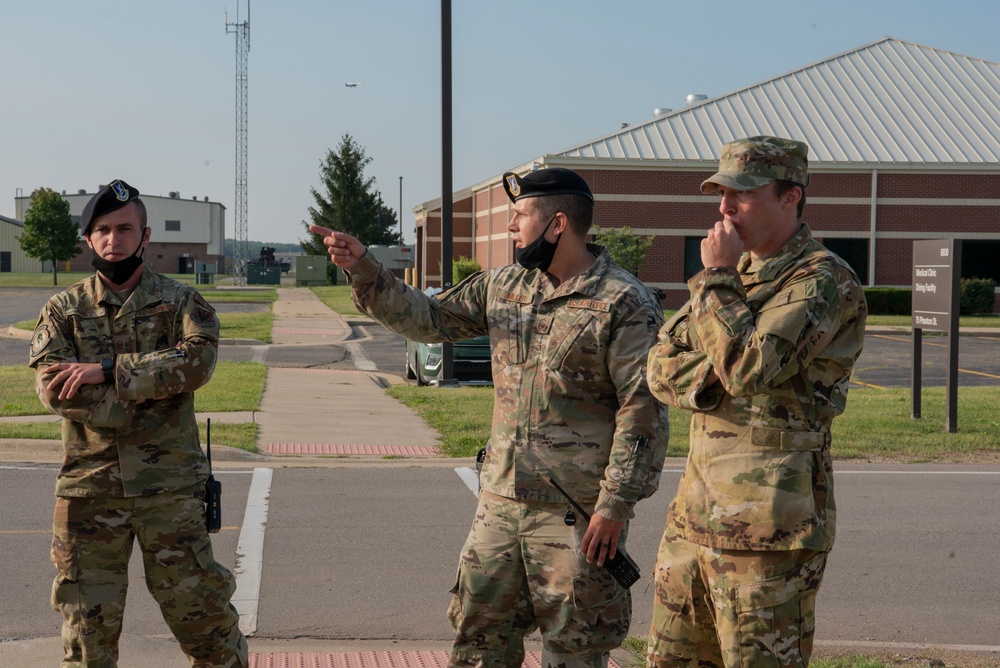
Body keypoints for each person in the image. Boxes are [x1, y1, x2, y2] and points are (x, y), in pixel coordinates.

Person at [311, 166, 669, 668]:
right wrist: (364, 266)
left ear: (558, 223)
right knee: (477, 644)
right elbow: (429, 318)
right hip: (499, 507)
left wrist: (615, 505)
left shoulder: (622, 302)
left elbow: (643, 410)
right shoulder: (504, 286)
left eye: (520, 215)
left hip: (577, 516)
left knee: (575, 651)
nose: (510, 227)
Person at [644, 136, 867, 667]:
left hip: (770, 536)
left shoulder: (822, 280)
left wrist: (716, 281)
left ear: (790, 197)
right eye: (720, 194)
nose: (724, 208)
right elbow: (656, 365)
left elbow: (749, 367)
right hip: (692, 525)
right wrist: (719, 360)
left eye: (741, 194)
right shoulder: (737, 276)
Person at [28, 180, 247, 668]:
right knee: (88, 639)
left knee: (206, 624)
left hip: (169, 491)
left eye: (124, 228)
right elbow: (54, 389)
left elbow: (197, 364)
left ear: (145, 235)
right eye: (103, 230)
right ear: (88, 240)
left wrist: (108, 370)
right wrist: (149, 390)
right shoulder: (63, 311)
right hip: (90, 495)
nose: (113, 239)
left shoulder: (183, 303)